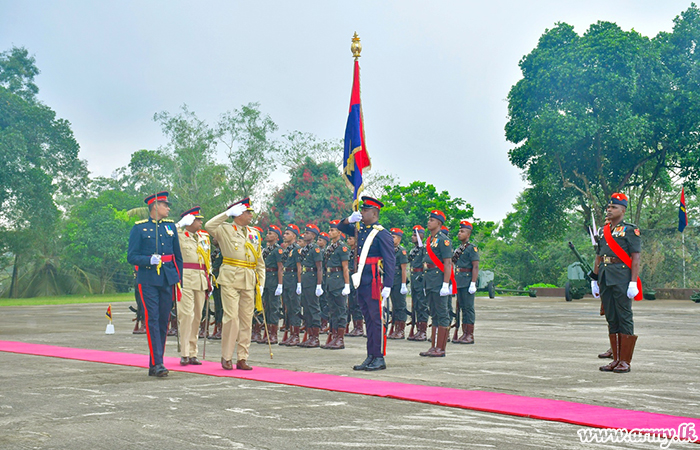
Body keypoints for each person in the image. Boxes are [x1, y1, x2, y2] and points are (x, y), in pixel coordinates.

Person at [127, 191, 183, 377]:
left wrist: (179, 280)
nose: (168, 208)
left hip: (167, 278)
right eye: (165, 205)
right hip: (148, 279)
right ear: (155, 206)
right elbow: (131, 256)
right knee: (152, 319)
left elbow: (178, 256)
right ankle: (158, 362)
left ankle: (154, 363)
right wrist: (148, 260)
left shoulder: (170, 227)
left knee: (163, 320)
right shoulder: (139, 228)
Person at [205, 198, 265, 371]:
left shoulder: (254, 233)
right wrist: (226, 214)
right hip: (230, 277)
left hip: (249, 279)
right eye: (247, 212)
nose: (251, 215)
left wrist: (261, 281)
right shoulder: (225, 229)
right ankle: (226, 356)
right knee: (231, 318)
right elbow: (208, 226)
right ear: (238, 214)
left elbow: (259, 260)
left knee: (247, 320)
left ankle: (242, 357)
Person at [338, 196, 395, 371]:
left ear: (374, 213)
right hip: (362, 280)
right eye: (362, 210)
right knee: (368, 319)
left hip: (375, 281)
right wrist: (349, 219)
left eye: (365, 210)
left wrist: (388, 285)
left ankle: (379, 357)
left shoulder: (381, 233)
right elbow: (341, 226)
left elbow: (390, 259)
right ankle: (371, 355)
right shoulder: (360, 230)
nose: (362, 213)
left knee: (377, 319)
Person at [591, 193, 642, 373]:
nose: (609, 210)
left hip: (621, 278)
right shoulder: (603, 231)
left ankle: (625, 361)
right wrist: (595, 279)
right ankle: (615, 358)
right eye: (608, 207)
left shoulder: (630, 230)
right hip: (605, 277)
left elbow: (635, 258)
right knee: (611, 317)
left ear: (623, 210)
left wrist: (633, 282)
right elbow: (599, 256)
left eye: (613, 207)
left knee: (624, 317)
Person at [175, 206, 211, 365]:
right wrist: (180, 224)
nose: (201, 222)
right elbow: (167, 233)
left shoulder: (204, 237)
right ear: (189, 221)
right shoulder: (179, 235)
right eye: (197, 219)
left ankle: (193, 352)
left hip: (201, 278)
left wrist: (209, 279)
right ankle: (184, 353)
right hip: (186, 278)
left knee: (197, 317)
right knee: (186, 315)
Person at [420, 210, 454, 357]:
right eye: (429, 219)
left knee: (442, 313)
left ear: (439, 223)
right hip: (430, 280)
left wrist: (446, 283)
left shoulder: (443, 240)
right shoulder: (430, 240)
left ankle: (441, 348)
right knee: (433, 313)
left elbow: (447, 263)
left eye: (432, 220)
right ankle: (433, 346)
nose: (429, 222)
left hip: (439, 279)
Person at [320, 220, 351, 349]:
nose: (330, 232)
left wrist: (347, 284)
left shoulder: (342, 248)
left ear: (339, 232)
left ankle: (340, 339)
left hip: (338, 281)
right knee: (332, 311)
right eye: (330, 230)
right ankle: (333, 336)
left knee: (340, 310)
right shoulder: (329, 247)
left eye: (332, 230)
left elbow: (345, 268)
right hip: (330, 281)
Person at [452, 220, 479, 344]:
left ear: (468, 234)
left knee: (468, 308)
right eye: (459, 231)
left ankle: (469, 334)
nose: (459, 233)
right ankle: (463, 333)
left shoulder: (472, 248)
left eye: (462, 231)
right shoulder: (459, 249)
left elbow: (475, 267)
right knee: (461, 307)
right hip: (459, 281)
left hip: (468, 281)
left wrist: (473, 282)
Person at [298, 224, 324, 348]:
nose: (305, 234)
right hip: (305, 279)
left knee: (313, 308)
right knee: (306, 308)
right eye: (305, 232)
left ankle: (315, 337)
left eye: (308, 233)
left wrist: (319, 285)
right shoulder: (305, 249)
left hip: (312, 279)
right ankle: (309, 335)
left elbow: (319, 268)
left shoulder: (315, 249)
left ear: (313, 235)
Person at [260, 225, 284, 345]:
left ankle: (273, 334)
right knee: (267, 307)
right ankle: (268, 333)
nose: (267, 235)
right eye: (267, 233)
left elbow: (280, 267)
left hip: (274, 279)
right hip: (266, 279)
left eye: (270, 233)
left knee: (274, 308)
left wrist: (280, 284)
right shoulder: (266, 250)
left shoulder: (277, 250)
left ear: (276, 236)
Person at [279, 224, 303, 346]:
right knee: (287, 307)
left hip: (293, 279)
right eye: (285, 233)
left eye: (287, 233)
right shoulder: (288, 249)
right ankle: (290, 333)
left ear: (294, 235)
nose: (284, 235)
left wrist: (299, 283)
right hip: (287, 279)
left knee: (294, 308)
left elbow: (299, 268)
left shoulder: (297, 249)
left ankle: (296, 335)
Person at [387, 228, 409, 340]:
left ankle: (400, 330)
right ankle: (395, 328)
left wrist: (404, 284)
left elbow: (404, 269)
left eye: (394, 236)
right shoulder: (390, 250)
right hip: (392, 280)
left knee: (400, 306)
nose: (391, 238)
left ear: (399, 239)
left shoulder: (402, 251)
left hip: (399, 281)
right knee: (394, 306)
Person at [407, 225, 428, 341]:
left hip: (420, 280)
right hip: (414, 279)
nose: (412, 237)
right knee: (415, 305)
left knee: (422, 305)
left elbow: (425, 266)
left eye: (415, 235)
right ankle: (417, 329)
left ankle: (423, 331)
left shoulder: (424, 249)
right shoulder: (413, 250)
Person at [345, 235, 366, 337]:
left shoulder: (360, 251)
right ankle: (355, 326)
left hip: (357, 277)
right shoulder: (350, 251)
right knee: (351, 303)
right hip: (350, 277)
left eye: (350, 238)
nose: (348, 240)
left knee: (357, 302)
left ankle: (359, 327)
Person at [317, 231, 331, 334]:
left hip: (325, 278)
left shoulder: (326, 252)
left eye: (320, 240)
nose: (318, 241)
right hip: (319, 278)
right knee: (320, 301)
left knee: (325, 301)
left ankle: (324, 322)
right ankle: (320, 322)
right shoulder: (317, 251)